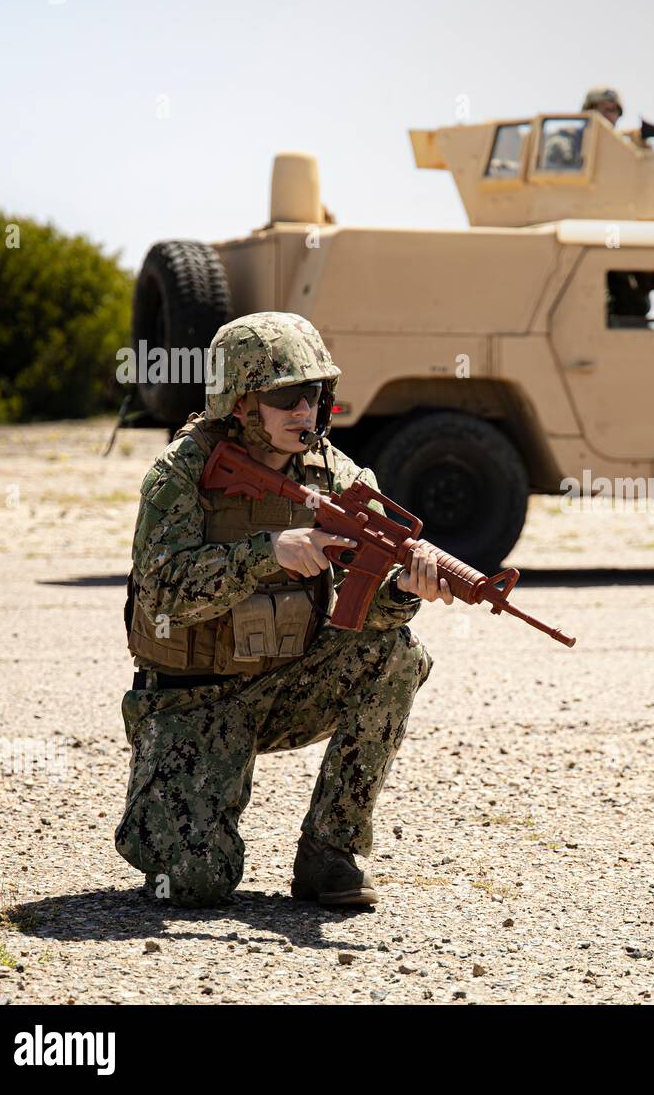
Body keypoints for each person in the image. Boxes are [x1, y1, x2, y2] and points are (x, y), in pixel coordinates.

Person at [114, 311, 452, 908]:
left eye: (316, 393)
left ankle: (330, 852)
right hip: (188, 701)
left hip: (283, 686)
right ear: (240, 403)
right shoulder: (181, 474)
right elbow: (163, 592)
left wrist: (402, 590)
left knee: (395, 654)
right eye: (287, 396)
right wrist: (266, 553)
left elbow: (364, 613)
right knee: (194, 884)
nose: (306, 410)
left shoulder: (336, 475)